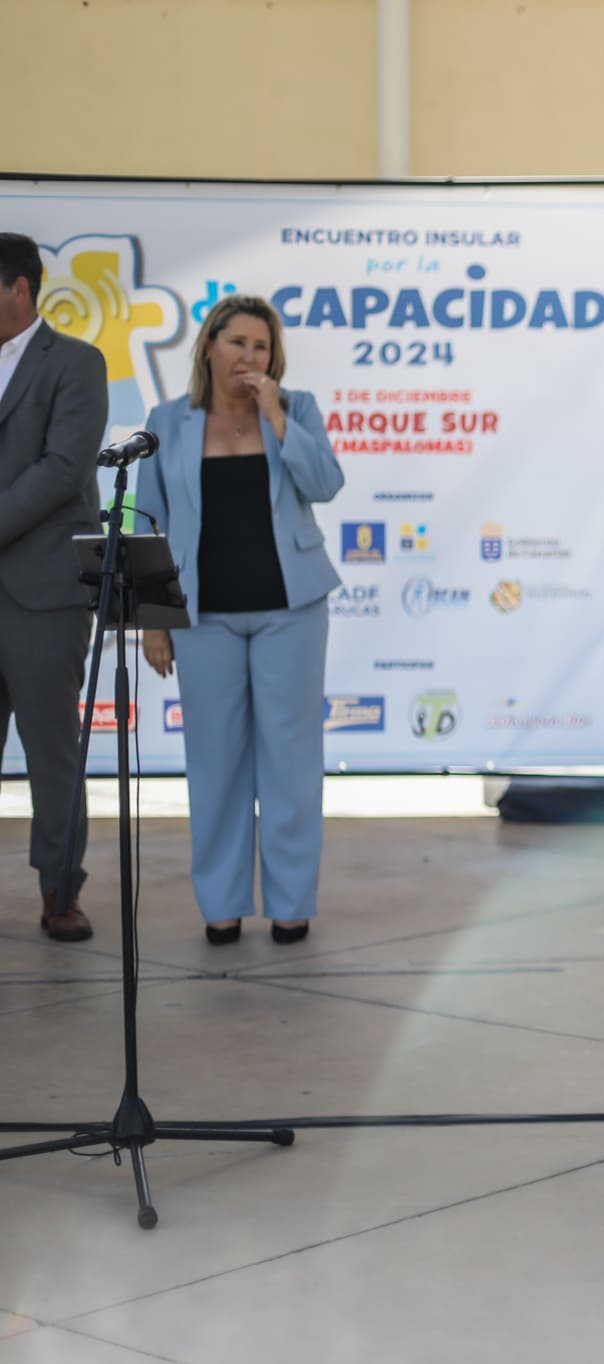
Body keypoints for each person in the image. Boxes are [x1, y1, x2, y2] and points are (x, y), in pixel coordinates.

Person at [135, 295, 342, 945]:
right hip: (205, 618)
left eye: (262, 346)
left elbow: (326, 483)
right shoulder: (167, 420)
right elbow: (148, 522)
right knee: (215, 765)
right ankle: (221, 905)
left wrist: (276, 416)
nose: (250, 356)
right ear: (209, 348)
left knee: (291, 764)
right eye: (238, 342)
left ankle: (290, 904)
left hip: (291, 612)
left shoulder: (296, 409)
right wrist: (154, 620)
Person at [0, 232, 107, 943]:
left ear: (19, 288)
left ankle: (59, 892)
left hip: (43, 589)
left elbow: (64, 469)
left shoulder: (76, 362)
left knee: (52, 754)